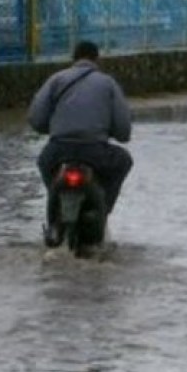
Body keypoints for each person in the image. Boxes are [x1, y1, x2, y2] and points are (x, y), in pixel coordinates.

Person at [28, 40, 134, 247]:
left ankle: (54, 217)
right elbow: (123, 129)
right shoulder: (107, 83)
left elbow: (36, 118)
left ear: (73, 59)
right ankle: (104, 209)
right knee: (124, 160)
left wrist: (53, 128)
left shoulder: (56, 80)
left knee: (43, 162)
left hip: (58, 150)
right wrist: (109, 132)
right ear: (97, 59)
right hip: (95, 151)